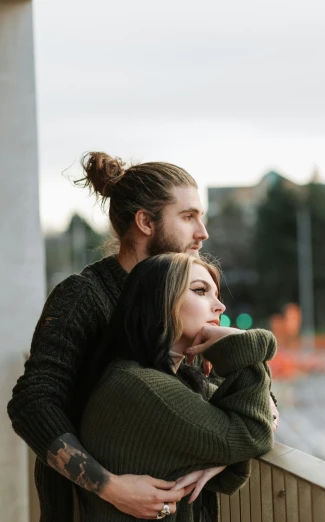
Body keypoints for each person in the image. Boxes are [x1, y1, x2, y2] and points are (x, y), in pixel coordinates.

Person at [7, 151, 278, 520]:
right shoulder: (84, 296)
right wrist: (110, 486)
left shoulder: (184, 303)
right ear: (146, 221)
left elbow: (258, 404)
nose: (203, 233)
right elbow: (32, 402)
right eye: (188, 217)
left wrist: (226, 452)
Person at [77, 253, 277, 521]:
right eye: (200, 291)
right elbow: (253, 431)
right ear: (160, 302)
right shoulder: (142, 387)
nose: (219, 306)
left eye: (217, 295)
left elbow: (257, 416)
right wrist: (241, 343)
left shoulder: (173, 379)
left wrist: (226, 457)